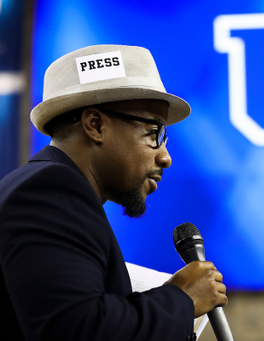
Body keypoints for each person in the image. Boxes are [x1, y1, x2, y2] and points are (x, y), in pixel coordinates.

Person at [0, 45, 228, 340]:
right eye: (153, 133)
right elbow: (76, 330)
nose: (165, 157)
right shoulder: (49, 191)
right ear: (95, 125)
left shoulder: (50, 193)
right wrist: (181, 299)